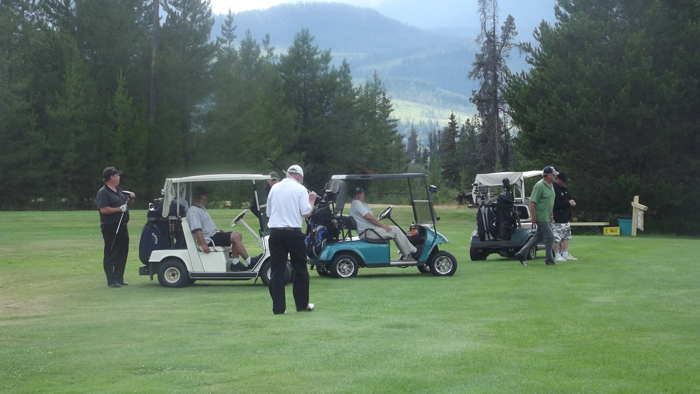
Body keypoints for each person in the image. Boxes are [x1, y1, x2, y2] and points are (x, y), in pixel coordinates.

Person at [266, 165, 317, 314]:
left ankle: (278, 308)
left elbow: (269, 212)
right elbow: (306, 212)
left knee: (277, 270)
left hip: (275, 233)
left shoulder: (274, 188)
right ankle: (302, 305)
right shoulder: (301, 189)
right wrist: (312, 200)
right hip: (293, 233)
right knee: (300, 269)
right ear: (299, 177)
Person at [187, 186, 252, 271]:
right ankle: (250, 261)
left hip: (213, 234)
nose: (206, 197)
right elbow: (196, 230)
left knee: (238, 234)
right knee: (235, 237)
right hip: (209, 239)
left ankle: (235, 263)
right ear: (202, 196)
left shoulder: (201, 208)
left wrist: (218, 231)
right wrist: (203, 244)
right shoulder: (194, 211)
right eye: (205, 194)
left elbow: (206, 226)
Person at [350, 187, 418, 260]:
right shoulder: (356, 202)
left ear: (364, 194)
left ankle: (407, 252)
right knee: (395, 230)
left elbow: (371, 218)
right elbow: (368, 217)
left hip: (370, 230)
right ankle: (413, 252)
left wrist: (382, 226)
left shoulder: (364, 205)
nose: (359, 196)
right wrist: (383, 226)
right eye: (356, 194)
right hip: (368, 232)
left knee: (394, 229)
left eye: (360, 194)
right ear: (354, 195)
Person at [96, 167, 135, 288]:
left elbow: (127, 205)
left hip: (122, 226)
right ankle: (111, 280)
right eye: (117, 175)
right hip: (111, 227)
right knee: (112, 252)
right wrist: (118, 209)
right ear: (111, 177)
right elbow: (103, 209)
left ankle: (119, 278)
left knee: (122, 252)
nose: (119, 177)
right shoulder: (103, 192)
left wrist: (131, 198)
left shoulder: (118, 190)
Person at [515, 166, 558, 266]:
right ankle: (549, 260)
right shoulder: (539, 186)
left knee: (538, 237)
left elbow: (550, 201)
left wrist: (551, 215)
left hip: (547, 216)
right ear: (548, 175)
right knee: (550, 237)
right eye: (553, 174)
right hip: (541, 216)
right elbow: (532, 201)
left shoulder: (551, 185)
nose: (555, 176)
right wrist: (533, 216)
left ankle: (521, 254)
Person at [552, 171, 577, 262]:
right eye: (563, 181)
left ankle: (565, 254)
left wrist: (571, 202)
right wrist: (567, 203)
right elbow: (555, 204)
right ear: (557, 179)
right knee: (557, 237)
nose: (564, 183)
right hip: (557, 217)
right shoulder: (554, 188)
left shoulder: (564, 188)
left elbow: (568, 198)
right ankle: (557, 254)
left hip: (566, 217)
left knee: (566, 236)